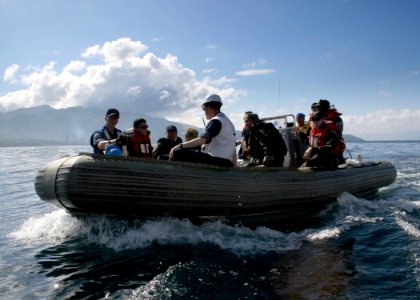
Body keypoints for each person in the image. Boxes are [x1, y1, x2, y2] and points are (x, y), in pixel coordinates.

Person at [169, 94, 236, 167]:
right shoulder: (229, 123)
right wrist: (234, 165)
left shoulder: (216, 121)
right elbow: (233, 148)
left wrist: (180, 145)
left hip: (215, 159)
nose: (204, 111)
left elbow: (202, 140)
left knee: (177, 152)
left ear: (209, 107)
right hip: (227, 162)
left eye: (204, 109)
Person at [312, 99, 346, 163]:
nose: (318, 108)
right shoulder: (318, 116)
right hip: (321, 139)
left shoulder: (336, 118)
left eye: (319, 107)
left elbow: (339, 132)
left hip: (332, 138)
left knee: (336, 150)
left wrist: (332, 140)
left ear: (324, 107)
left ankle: (339, 161)